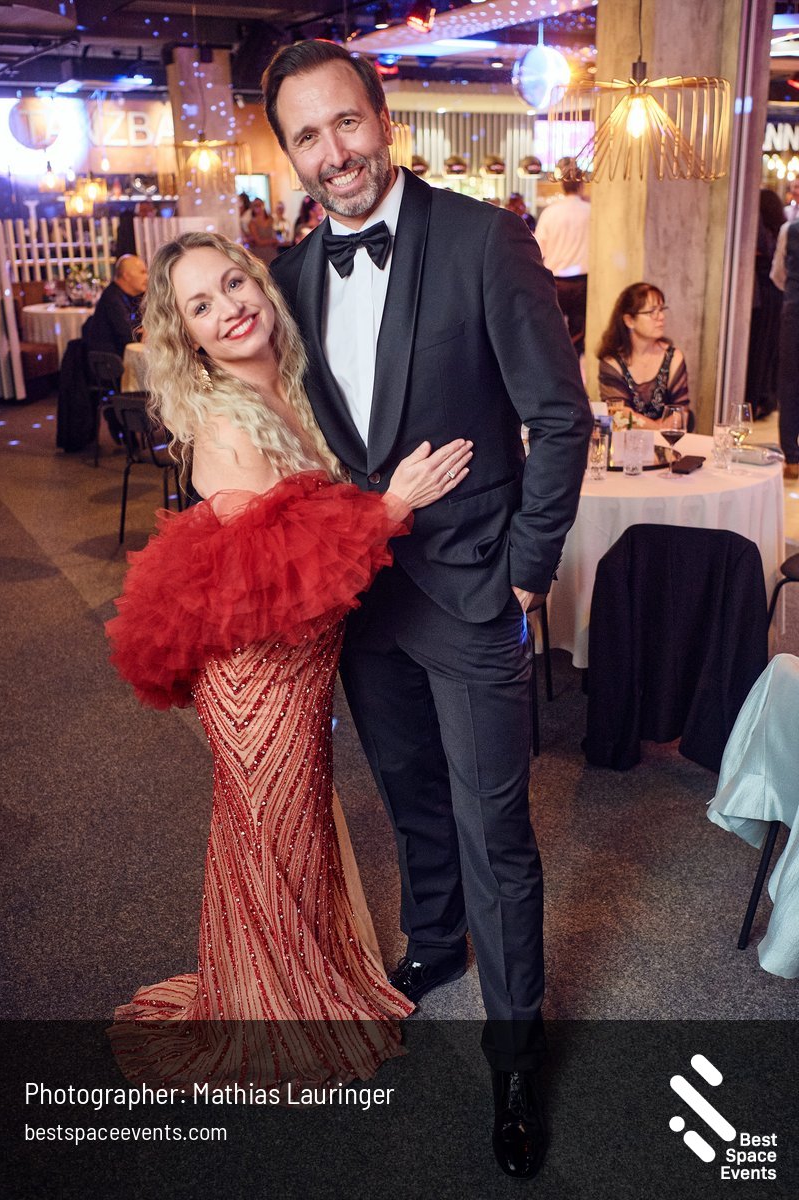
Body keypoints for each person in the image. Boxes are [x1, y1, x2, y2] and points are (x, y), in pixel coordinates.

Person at [263, 39, 592, 1178]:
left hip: (473, 586)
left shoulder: (482, 239)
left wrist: (525, 573)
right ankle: (434, 942)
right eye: (307, 136)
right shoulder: (290, 276)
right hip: (363, 600)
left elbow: (560, 419)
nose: (333, 152)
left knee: (495, 828)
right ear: (291, 155)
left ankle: (514, 1054)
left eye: (345, 122)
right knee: (407, 794)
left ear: (383, 117)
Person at [106, 231, 473, 1087]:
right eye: (202, 305)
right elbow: (284, 569)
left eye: (234, 283)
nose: (230, 308)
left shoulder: (297, 386)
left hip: (299, 667)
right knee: (273, 831)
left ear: (261, 284)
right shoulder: (223, 418)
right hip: (257, 675)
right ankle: (275, 1008)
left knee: (288, 827)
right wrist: (393, 505)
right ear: (187, 336)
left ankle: (291, 981)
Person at [597, 282, 691, 428]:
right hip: (625, 440)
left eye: (661, 310)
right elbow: (619, 414)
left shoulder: (673, 357)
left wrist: (656, 431)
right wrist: (659, 429)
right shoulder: (612, 362)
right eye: (652, 312)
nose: (661, 317)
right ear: (629, 321)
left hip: (666, 441)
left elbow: (681, 411)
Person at [533, 173, 590, 355]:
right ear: (581, 185)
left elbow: (538, 248)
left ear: (562, 186)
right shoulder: (590, 211)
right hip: (582, 281)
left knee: (553, 329)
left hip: (556, 280)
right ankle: (573, 365)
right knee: (578, 332)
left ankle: (555, 363)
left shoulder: (550, 213)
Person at [745, 189, 784, 420]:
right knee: (766, 352)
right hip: (774, 295)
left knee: (758, 350)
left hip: (763, 295)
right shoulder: (781, 229)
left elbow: (765, 249)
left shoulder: (764, 229)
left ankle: (752, 403)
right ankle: (761, 401)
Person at [773, 219, 799, 478]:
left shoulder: (789, 230)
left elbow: (778, 275)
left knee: (790, 382)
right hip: (794, 314)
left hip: (795, 310)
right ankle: (791, 456)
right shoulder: (788, 229)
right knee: (790, 382)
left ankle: (792, 458)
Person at [82, 254, 148, 358]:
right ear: (126, 276)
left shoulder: (131, 296)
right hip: (112, 362)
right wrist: (144, 333)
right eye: (142, 272)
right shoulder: (112, 298)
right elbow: (128, 337)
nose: (147, 277)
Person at [246, 196, 280, 266]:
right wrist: (272, 240)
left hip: (272, 251)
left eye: (259, 205)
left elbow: (274, 233)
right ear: (252, 208)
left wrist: (276, 241)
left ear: (263, 205)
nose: (258, 207)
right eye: (255, 205)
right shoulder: (252, 223)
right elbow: (258, 242)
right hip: (260, 253)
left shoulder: (271, 219)